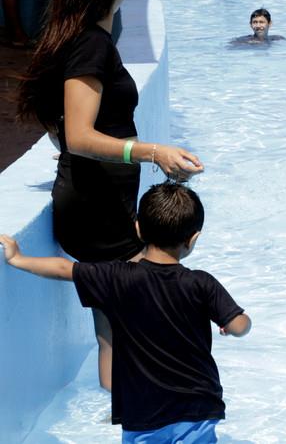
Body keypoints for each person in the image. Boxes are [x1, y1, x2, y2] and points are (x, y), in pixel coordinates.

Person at [17, 0, 204, 388]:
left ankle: (120, 420)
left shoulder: (77, 38)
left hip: (100, 199)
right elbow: (79, 137)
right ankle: (138, 416)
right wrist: (151, 151)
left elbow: (63, 125)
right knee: (129, 328)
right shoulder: (90, 46)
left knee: (117, 331)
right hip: (97, 209)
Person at [1, 184, 250, 441]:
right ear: (193, 238)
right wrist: (230, 325)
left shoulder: (116, 277)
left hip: (143, 411)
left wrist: (19, 259)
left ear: (138, 228)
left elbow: (65, 269)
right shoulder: (202, 282)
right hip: (198, 406)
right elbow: (240, 326)